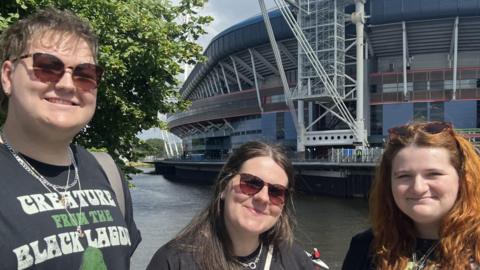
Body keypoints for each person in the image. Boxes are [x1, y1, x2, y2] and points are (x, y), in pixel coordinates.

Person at [0, 7, 141, 269]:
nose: (67, 84)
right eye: (47, 67)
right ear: (8, 77)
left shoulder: (107, 172)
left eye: (85, 74)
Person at [147, 141, 315, 270]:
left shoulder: (296, 261)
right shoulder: (174, 261)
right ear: (223, 187)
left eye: (276, 192)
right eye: (250, 183)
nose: (263, 198)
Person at [342, 121, 480, 270]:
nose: (418, 188)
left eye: (433, 174)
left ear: (463, 178)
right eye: (404, 176)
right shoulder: (365, 247)